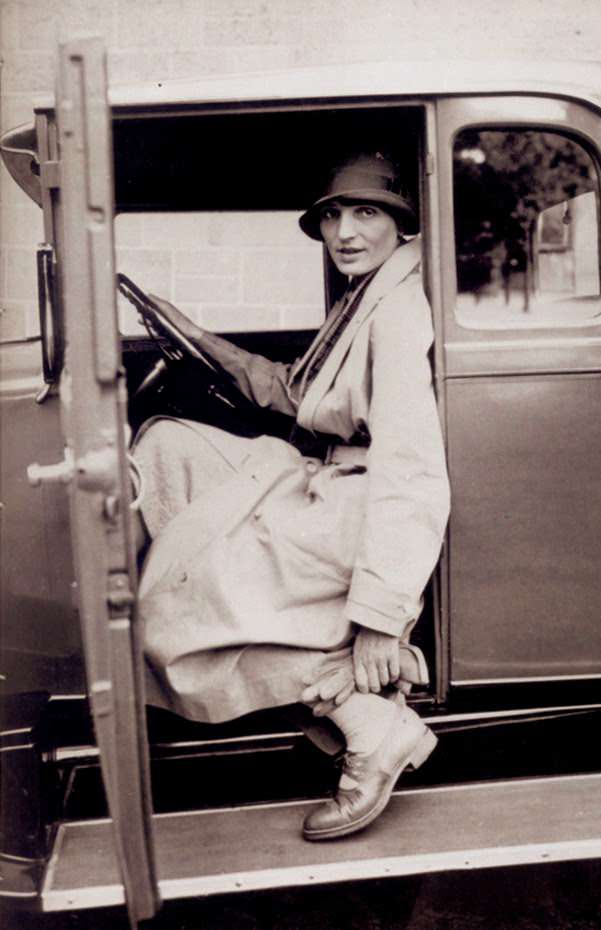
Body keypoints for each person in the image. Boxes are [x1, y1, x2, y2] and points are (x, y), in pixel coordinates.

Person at [131, 151, 451, 841]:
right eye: (334, 214)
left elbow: (413, 469)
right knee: (163, 448)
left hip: (356, 510)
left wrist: (378, 614)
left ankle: (370, 723)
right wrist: (201, 339)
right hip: (327, 481)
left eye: (367, 212)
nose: (345, 231)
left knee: (166, 615)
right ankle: (213, 589)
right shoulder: (369, 294)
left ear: (401, 223)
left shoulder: (399, 311)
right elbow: (301, 394)